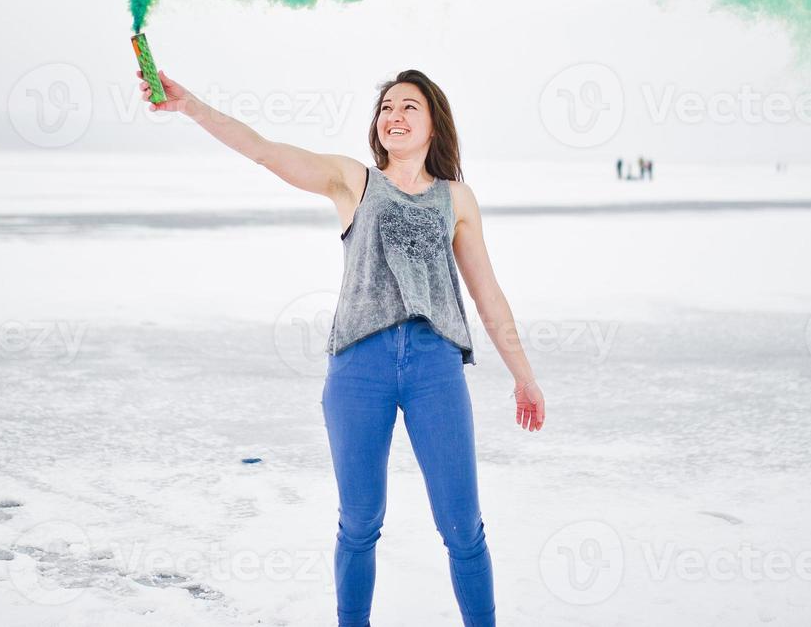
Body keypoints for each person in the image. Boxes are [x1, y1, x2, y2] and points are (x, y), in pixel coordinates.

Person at [138, 65, 545, 627]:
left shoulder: (457, 199)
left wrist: (523, 374)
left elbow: (489, 294)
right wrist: (191, 106)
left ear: (434, 124)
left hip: (435, 366)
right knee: (359, 522)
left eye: (409, 107)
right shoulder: (354, 180)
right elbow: (263, 151)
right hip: (360, 367)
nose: (394, 116)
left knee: (462, 525)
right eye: (386, 108)